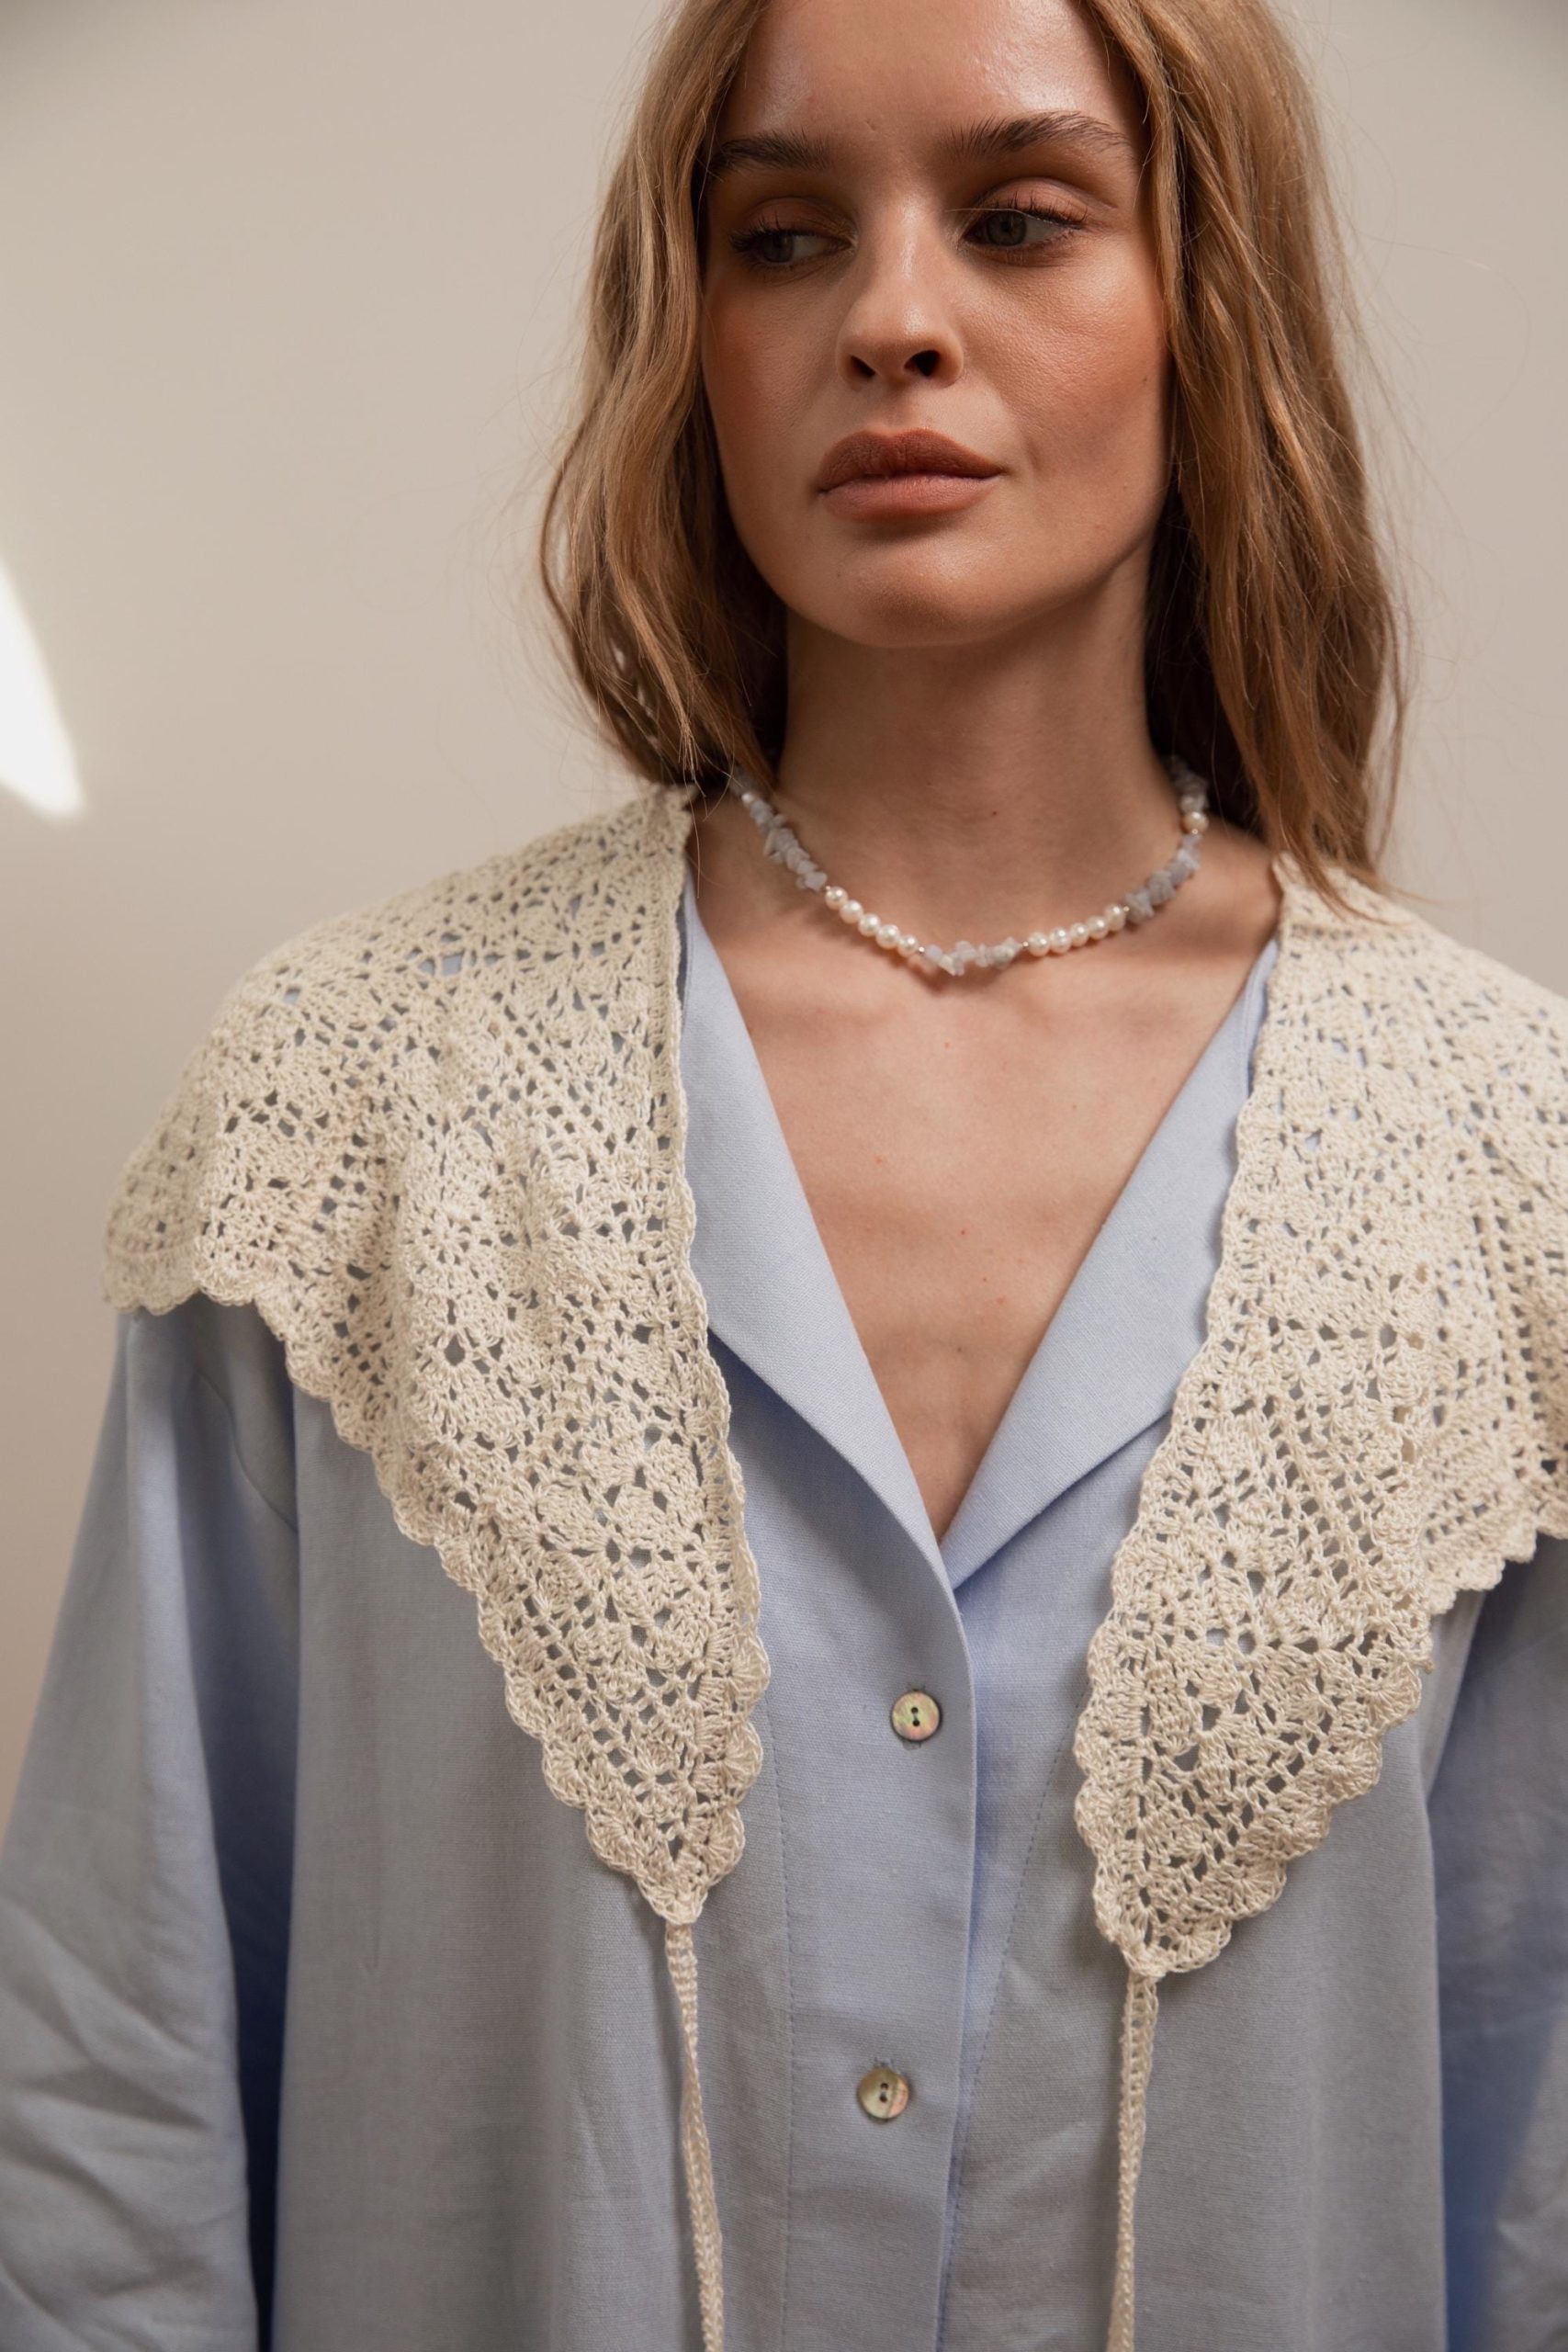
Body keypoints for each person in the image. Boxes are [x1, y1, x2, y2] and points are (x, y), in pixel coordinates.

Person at [3, 0, 1566, 2346]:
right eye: (780, 236)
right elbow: (118, 2075)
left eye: (1017, 219)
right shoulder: (354, 1113)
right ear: (695, 335)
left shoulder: (1504, 1163)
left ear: (1206, 298)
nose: (889, 320)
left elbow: (1534, 2139)